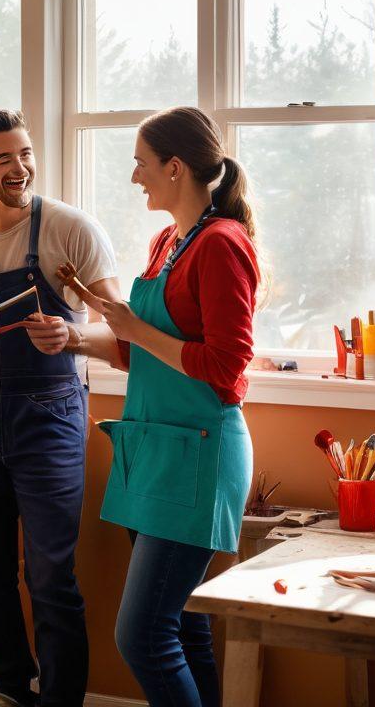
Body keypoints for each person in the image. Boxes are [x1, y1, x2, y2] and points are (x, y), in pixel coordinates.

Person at [41, 106, 258, 707]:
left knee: (140, 636)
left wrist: (133, 326)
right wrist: (77, 335)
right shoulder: (170, 241)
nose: (135, 177)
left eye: (141, 164)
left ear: (175, 166)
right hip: (157, 448)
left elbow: (226, 369)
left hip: (198, 454)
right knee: (183, 624)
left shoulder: (221, 245)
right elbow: (145, 354)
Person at [0, 110, 120, 707]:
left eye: (26, 153)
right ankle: (14, 692)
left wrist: (72, 335)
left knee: (51, 579)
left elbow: (123, 333)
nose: (20, 167)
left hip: (50, 418)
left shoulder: (72, 230)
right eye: (4, 157)